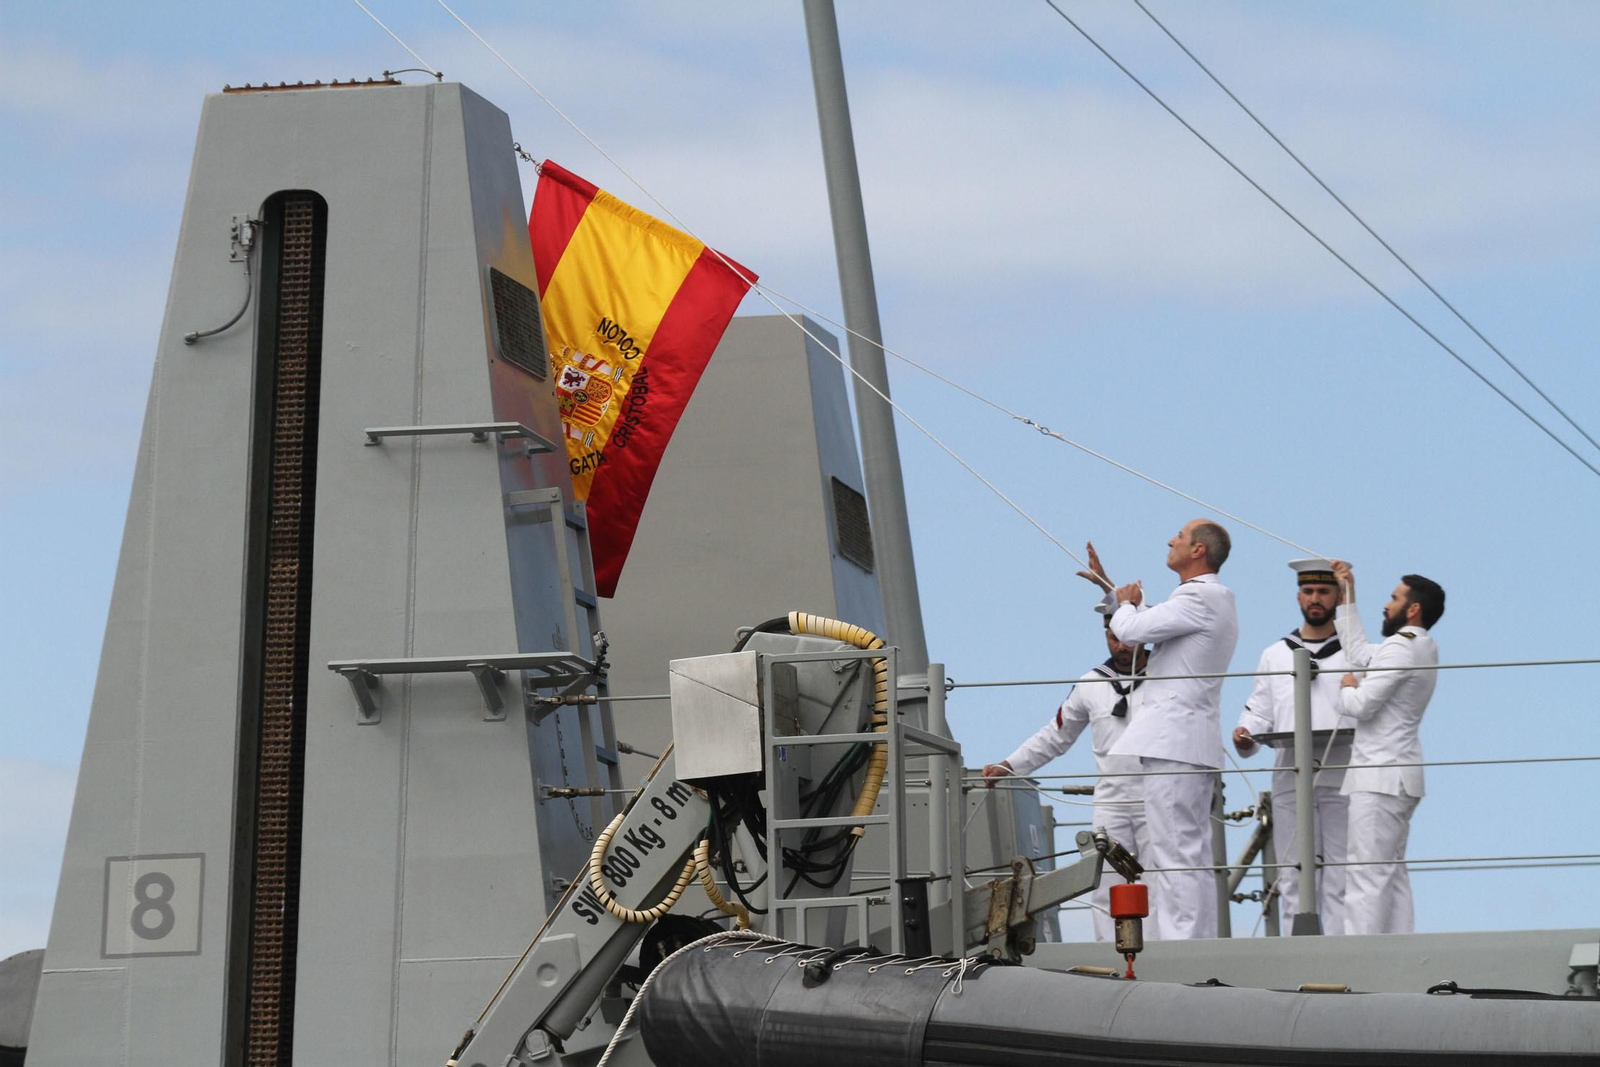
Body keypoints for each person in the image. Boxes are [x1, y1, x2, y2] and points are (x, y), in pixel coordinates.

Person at [1084, 521, 1239, 939]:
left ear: (1198, 550)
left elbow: (1132, 629)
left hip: (1175, 744)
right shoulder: (1208, 599)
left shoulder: (1198, 596)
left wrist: (1124, 604)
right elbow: (1149, 618)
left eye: (1180, 537)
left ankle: (1182, 947)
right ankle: (1193, 943)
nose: (1171, 540)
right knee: (1187, 851)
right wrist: (1112, 591)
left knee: (1175, 853)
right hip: (1186, 743)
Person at [983, 607, 1153, 942]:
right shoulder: (1090, 684)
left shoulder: (1167, 676)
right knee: (1105, 883)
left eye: (1128, 638)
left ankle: (1167, 950)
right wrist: (1011, 765)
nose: (1121, 646)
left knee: (1161, 879)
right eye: (1114, 637)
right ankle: (1109, 951)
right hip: (1112, 801)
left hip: (1158, 796)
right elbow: (1056, 736)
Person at [1233, 559, 1352, 934]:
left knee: (1343, 871)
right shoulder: (1276, 654)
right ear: (1298, 596)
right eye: (1308, 591)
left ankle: (1342, 950)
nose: (1315, 599)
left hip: (1343, 772)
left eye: (1324, 591)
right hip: (1291, 774)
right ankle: (1298, 951)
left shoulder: (1354, 652)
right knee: (1294, 871)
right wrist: (1245, 733)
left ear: (1338, 597)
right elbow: (1259, 711)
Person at [1331, 560, 1444, 935]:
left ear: (1413, 609)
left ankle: (1361, 957)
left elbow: (1361, 706)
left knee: (1365, 872)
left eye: (1394, 598)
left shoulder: (1400, 647)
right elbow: (1360, 652)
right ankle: (1398, 949)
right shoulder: (1422, 646)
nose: (1386, 604)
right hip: (1398, 776)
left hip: (1379, 776)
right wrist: (1347, 594)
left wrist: (1347, 688)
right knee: (1391, 872)